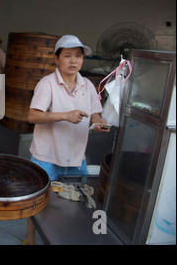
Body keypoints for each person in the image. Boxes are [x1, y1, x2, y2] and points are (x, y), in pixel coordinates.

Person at [25, 34, 110, 245]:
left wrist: (99, 122)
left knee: (75, 204)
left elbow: (95, 114)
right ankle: (30, 239)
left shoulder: (88, 86)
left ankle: (61, 238)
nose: (74, 61)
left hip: (75, 157)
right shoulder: (47, 84)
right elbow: (33, 115)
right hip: (47, 156)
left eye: (78, 56)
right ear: (56, 59)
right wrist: (64, 115)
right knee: (38, 202)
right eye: (68, 55)